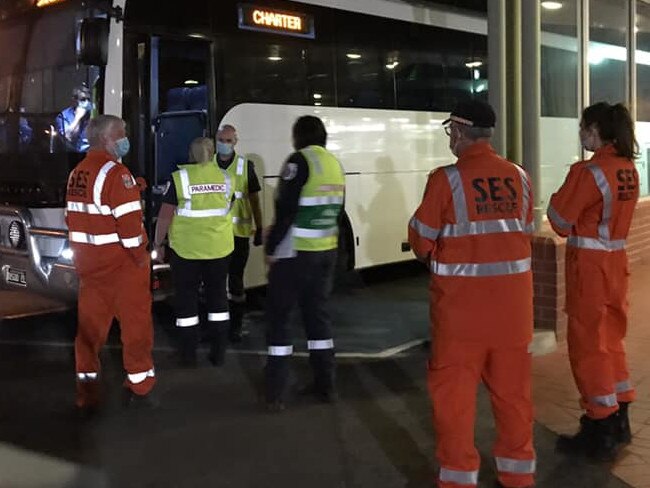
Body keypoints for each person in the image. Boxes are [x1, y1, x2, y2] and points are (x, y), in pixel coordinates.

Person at [408, 100, 536, 488]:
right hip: (513, 314)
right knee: (513, 397)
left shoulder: (444, 179)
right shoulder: (520, 176)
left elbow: (421, 240)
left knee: (455, 402)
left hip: (461, 316)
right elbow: (525, 229)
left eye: (451, 131)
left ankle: (460, 479)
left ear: (460, 132)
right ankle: (517, 477)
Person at [548, 102, 639, 462]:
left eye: (584, 128)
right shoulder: (627, 169)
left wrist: (561, 193)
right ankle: (621, 417)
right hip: (616, 264)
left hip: (589, 267)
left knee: (588, 347)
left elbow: (558, 220)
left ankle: (599, 426)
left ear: (597, 130)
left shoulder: (588, 173)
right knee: (612, 339)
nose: (581, 134)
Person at [65, 114, 155, 412]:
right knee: (136, 328)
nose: (126, 137)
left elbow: (80, 217)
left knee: (89, 333)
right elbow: (130, 230)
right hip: (121, 268)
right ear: (107, 138)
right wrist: (142, 257)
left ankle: (86, 392)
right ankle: (140, 385)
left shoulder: (78, 173)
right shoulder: (117, 174)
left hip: (90, 269)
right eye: (122, 132)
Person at [264, 116, 345, 411]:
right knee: (318, 320)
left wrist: (272, 247)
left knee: (280, 321)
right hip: (326, 252)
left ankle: (276, 392)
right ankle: (326, 385)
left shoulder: (298, 161)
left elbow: (287, 208)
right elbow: (338, 210)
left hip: (295, 253)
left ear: (298, 136)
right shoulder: (335, 164)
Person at [154, 137, 234, 367]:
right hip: (219, 249)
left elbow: (165, 216)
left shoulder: (180, 179)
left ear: (191, 154)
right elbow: (227, 208)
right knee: (218, 301)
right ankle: (218, 354)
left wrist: (158, 244)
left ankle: (188, 355)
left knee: (186, 304)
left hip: (187, 252)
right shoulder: (226, 178)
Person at [214, 125, 263, 343]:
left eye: (228, 140)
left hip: (238, 234)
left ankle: (236, 325)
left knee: (235, 281)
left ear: (235, 142)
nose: (224, 144)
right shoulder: (208, 164)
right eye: (221, 140)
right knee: (215, 282)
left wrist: (260, 227)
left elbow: (254, 200)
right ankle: (218, 327)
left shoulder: (245, 166)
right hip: (214, 234)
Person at [56, 86, 92, 152]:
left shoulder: (93, 114)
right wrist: (77, 118)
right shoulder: (63, 116)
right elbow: (68, 137)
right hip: (72, 155)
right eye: (83, 99)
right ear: (74, 101)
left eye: (88, 99)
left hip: (91, 154)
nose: (87, 102)